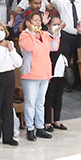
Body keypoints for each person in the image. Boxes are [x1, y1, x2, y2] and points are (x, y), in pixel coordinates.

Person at [18, 11, 57, 139]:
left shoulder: (45, 34)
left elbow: (54, 47)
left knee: (41, 102)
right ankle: (30, 128)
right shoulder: (24, 35)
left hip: (44, 72)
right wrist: (33, 34)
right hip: (31, 73)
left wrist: (56, 35)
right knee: (31, 103)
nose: (38, 23)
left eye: (39, 20)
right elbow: (28, 48)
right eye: (35, 20)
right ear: (28, 23)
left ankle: (40, 127)